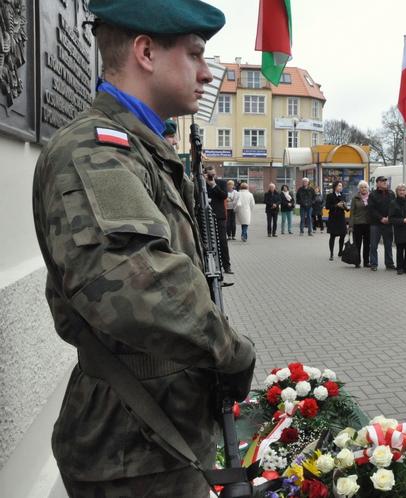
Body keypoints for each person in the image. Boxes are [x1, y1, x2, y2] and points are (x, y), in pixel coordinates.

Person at [31, 1, 256, 496]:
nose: (205, 73)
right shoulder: (95, 151)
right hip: (132, 451)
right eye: (194, 54)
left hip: (156, 435)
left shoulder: (141, 149)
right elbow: (138, 288)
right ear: (146, 52)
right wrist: (232, 352)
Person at [204, 165, 232, 274]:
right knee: (204, 241)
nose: (211, 176)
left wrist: (214, 185)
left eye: (213, 174)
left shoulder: (221, 183)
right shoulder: (202, 183)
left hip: (219, 216)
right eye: (209, 175)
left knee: (222, 241)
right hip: (205, 215)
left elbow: (224, 196)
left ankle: (227, 266)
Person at [368, 176, 396, 271]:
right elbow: (371, 209)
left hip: (388, 223)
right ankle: (373, 264)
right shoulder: (372, 194)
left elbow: (394, 207)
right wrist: (381, 218)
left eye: (385, 181)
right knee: (373, 245)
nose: (385, 182)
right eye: (382, 181)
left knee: (388, 245)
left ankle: (389, 263)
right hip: (376, 223)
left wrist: (389, 217)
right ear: (377, 183)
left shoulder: (391, 193)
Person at [349, 180, 371, 268]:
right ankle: (357, 261)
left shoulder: (371, 197)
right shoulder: (355, 198)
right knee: (357, 244)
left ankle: (366, 262)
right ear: (359, 189)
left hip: (368, 224)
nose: (363, 189)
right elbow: (352, 213)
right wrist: (350, 225)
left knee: (367, 244)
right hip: (357, 224)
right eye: (361, 187)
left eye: (365, 187)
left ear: (368, 188)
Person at [325, 181, 349, 260]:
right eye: (339, 186)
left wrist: (346, 207)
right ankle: (331, 254)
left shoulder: (343, 196)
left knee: (343, 235)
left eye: (341, 186)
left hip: (341, 218)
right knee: (332, 236)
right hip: (333, 218)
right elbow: (327, 207)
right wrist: (336, 205)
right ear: (335, 187)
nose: (341, 187)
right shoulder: (330, 196)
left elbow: (345, 208)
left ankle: (340, 251)